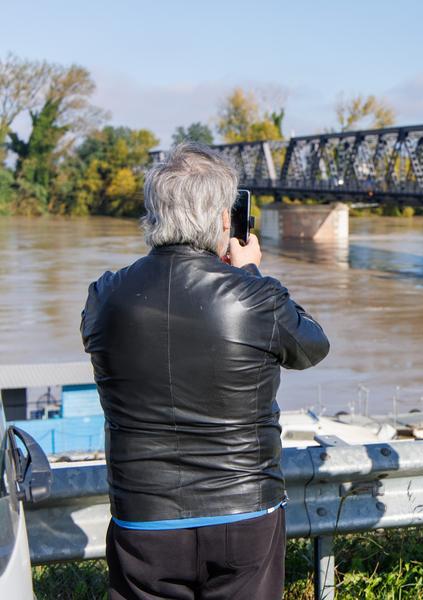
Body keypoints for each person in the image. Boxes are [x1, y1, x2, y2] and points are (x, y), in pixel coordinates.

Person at [81, 143, 330, 600]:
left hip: (144, 515)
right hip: (244, 513)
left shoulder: (106, 296)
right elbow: (312, 345)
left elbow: (97, 340)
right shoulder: (255, 298)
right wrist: (251, 272)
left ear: (153, 213)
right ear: (223, 219)